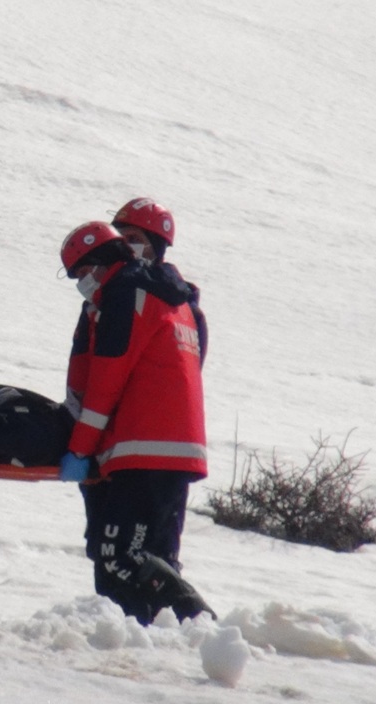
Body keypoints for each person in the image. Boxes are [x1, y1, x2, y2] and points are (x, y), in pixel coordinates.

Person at [57, 221, 214, 624]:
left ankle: (197, 619)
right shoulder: (180, 303)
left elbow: (105, 381)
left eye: (81, 273)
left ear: (98, 261)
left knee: (118, 558)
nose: (81, 283)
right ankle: (162, 632)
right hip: (175, 450)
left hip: (139, 449)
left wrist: (80, 446)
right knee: (150, 559)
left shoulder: (125, 294)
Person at [110, 197, 208, 363]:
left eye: (133, 239)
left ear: (156, 247)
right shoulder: (107, 292)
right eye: (119, 239)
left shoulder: (189, 313)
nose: (124, 247)